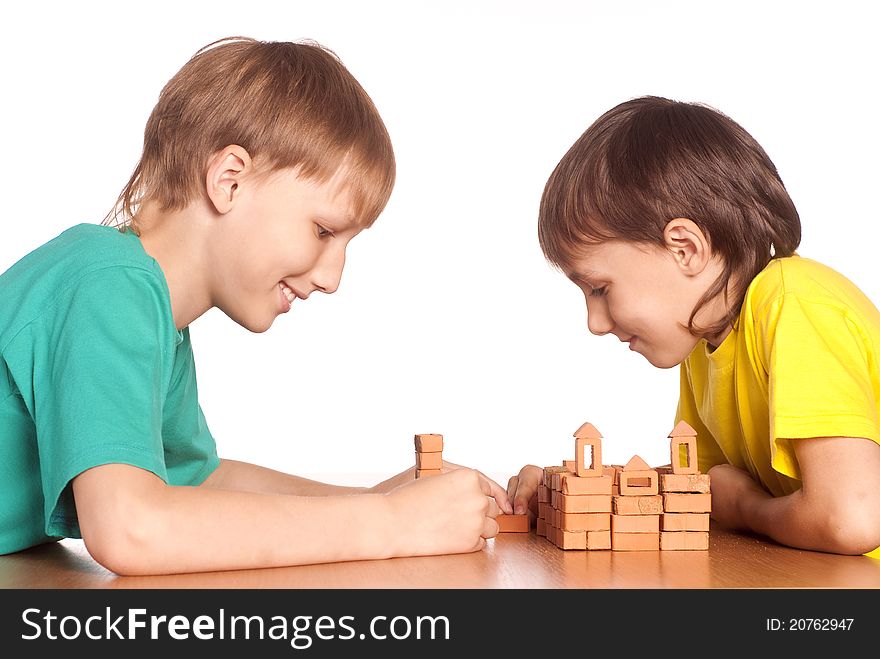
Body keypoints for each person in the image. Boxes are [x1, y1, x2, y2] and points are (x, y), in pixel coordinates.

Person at [0, 37, 511, 575]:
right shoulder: (108, 288)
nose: (333, 277)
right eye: (323, 230)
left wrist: (374, 499)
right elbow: (133, 528)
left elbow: (197, 481)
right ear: (230, 180)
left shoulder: (150, 311)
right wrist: (390, 523)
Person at [507, 96, 880, 557]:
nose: (594, 324)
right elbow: (701, 490)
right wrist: (574, 488)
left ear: (685, 248)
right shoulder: (706, 338)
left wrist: (747, 510)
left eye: (600, 289)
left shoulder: (794, 304)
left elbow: (852, 519)